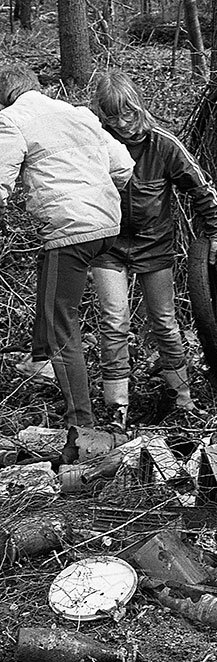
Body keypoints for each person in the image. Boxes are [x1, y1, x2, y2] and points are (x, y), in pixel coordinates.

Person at [90, 71, 217, 427]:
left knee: (165, 322)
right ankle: (116, 408)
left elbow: (201, 188)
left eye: (128, 114)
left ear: (138, 108)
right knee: (114, 321)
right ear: (101, 115)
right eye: (112, 117)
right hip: (108, 246)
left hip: (155, 247)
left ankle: (181, 398)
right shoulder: (96, 142)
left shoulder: (163, 145)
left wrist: (216, 232)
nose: (122, 124)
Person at [0, 65, 134, 426]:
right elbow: (123, 166)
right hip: (107, 225)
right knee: (49, 274)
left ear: (7, 94)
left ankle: (82, 423)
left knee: (63, 322)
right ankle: (39, 359)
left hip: (71, 229)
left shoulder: (11, 120)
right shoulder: (78, 114)